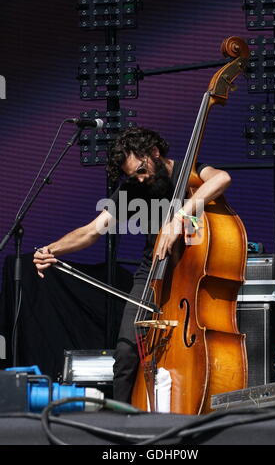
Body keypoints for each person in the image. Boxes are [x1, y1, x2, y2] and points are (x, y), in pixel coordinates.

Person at [33, 127, 232, 403]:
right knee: (126, 353)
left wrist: (180, 217)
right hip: (152, 272)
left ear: (154, 152)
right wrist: (51, 249)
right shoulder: (135, 188)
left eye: (141, 169)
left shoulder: (189, 172)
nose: (140, 178)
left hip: (192, 273)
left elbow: (222, 178)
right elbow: (92, 230)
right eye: (133, 175)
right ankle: (122, 425)